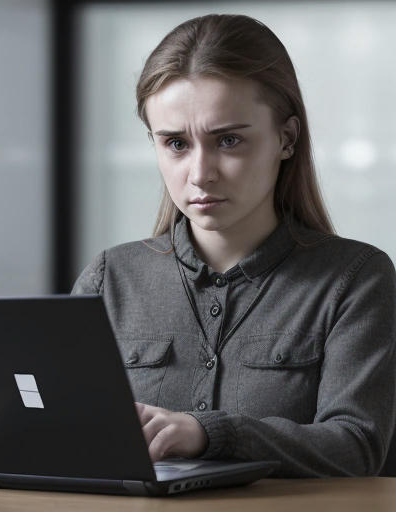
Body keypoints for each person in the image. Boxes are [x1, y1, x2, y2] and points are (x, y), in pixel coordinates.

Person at [70, 13, 396, 477]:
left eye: (227, 140)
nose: (200, 174)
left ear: (286, 138)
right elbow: (67, 436)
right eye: (176, 144)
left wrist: (210, 433)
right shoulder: (110, 277)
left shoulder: (355, 278)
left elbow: (356, 447)